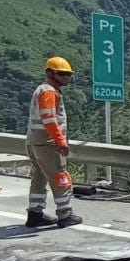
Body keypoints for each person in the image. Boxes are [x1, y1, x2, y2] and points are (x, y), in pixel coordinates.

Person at [25, 56, 83, 228]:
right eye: (62, 74)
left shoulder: (42, 89)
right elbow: (49, 118)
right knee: (60, 176)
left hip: (35, 141)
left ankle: (35, 214)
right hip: (48, 143)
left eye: (68, 74)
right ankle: (65, 215)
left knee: (39, 178)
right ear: (50, 73)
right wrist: (60, 141)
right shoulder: (49, 91)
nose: (66, 77)